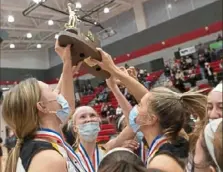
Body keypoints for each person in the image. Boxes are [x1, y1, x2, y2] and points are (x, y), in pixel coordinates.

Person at [90, 48, 207, 172]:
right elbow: (153, 102)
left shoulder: (161, 163)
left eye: (139, 105)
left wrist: (114, 69)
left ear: (151, 119)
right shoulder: (177, 139)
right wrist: (120, 75)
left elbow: (152, 101)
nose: (135, 108)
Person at [2, 41, 85, 172]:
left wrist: (67, 65)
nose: (57, 93)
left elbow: (68, 103)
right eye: (52, 91)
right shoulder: (48, 159)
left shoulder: (41, 144)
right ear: (42, 107)